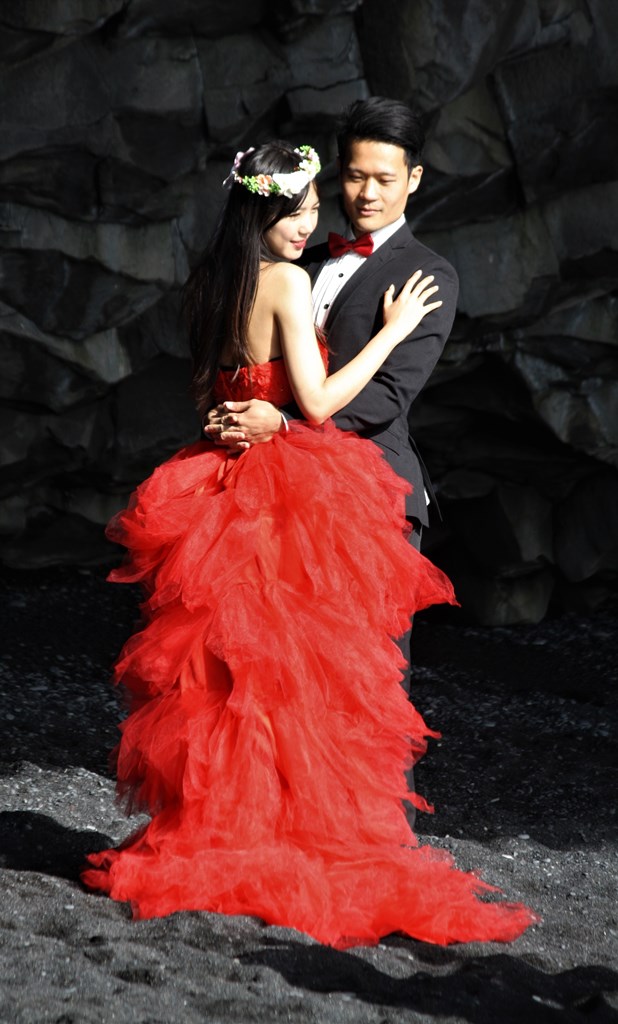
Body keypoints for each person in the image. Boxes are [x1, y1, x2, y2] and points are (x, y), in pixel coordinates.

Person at [82, 141, 537, 948]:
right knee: (297, 677)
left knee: (225, 678)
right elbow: (321, 402)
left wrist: (238, 418)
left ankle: (222, 835)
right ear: (265, 211)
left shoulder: (213, 281)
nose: (309, 224)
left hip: (219, 482)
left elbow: (214, 390)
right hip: (285, 490)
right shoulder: (287, 281)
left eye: (311, 209)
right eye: (296, 210)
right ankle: (288, 842)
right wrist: (393, 332)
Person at [205, 97, 460, 693]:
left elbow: (387, 397)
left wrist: (284, 425)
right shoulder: (300, 258)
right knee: (284, 676)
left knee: (368, 680)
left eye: (384, 179)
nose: (367, 193)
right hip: (278, 496)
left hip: (374, 492)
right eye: (354, 176)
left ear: (414, 180)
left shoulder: (430, 275)